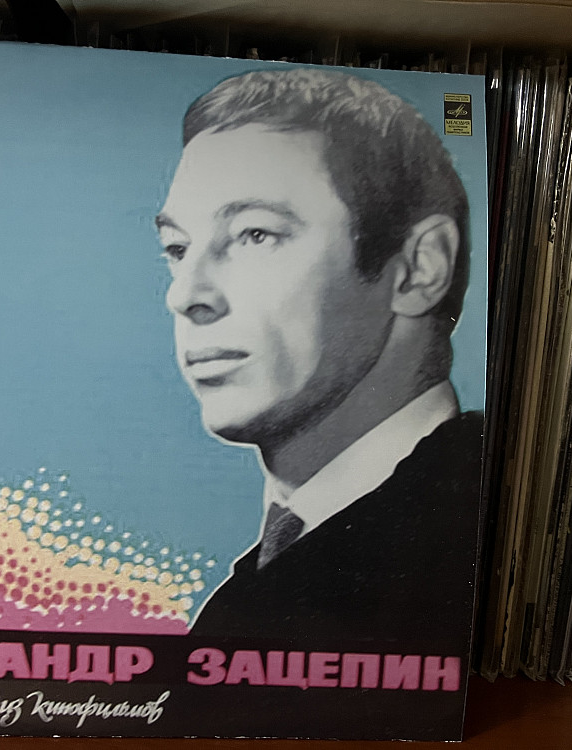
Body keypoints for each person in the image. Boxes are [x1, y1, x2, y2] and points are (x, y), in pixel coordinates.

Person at [156, 68, 484, 650]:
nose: (185, 295)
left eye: (255, 234)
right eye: (177, 249)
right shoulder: (274, 571)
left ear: (419, 269)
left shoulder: (458, 541)